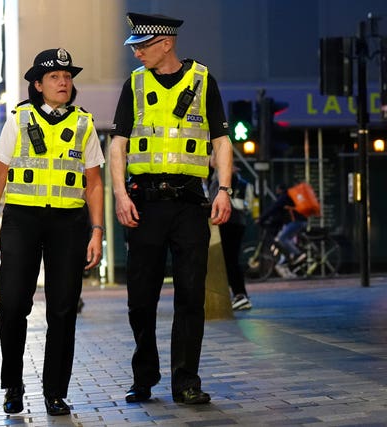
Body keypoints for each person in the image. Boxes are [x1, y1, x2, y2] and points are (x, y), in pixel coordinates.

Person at [109, 12, 233, 405]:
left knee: (191, 295)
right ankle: (144, 376)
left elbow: (221, 141)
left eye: (143, 47)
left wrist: (224, 189)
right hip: (144, 202)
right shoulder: (135, 84)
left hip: (190, 202)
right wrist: (120, 194)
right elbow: (118, 144)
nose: (137, 54)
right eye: (135, 48)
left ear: (166, 44)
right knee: (140, 298)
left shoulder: (202, 80)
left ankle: (186, 381)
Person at [0, 47, 104, 416]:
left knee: (64, 310)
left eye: (67, 77)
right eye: (55, 77)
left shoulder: (83, 123)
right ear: (38, 84)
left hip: (69, 223)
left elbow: (94, 183)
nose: (64, 82)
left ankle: (55, 391)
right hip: (22, 220)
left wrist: (97, 230)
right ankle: (13, 385)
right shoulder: (18, 119)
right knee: (14, 304)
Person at [209, 164, 253, 310]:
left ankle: (240, 294)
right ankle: (240, 294)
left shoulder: (224, 179)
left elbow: (213, 200)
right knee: (231, 259)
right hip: (237, 221)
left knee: (230, 260)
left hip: (227, 222)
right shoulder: (240, 181)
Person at [257, 183, 308, 277]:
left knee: (282, 239)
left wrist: (261, 219)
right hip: (298, 221)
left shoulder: (284, 197)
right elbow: (279, 214)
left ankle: (297, 254)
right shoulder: (288, 198)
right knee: (285, 239)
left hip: (296, 222)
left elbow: (273, 208)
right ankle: (290, 257)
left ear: (279, 190)